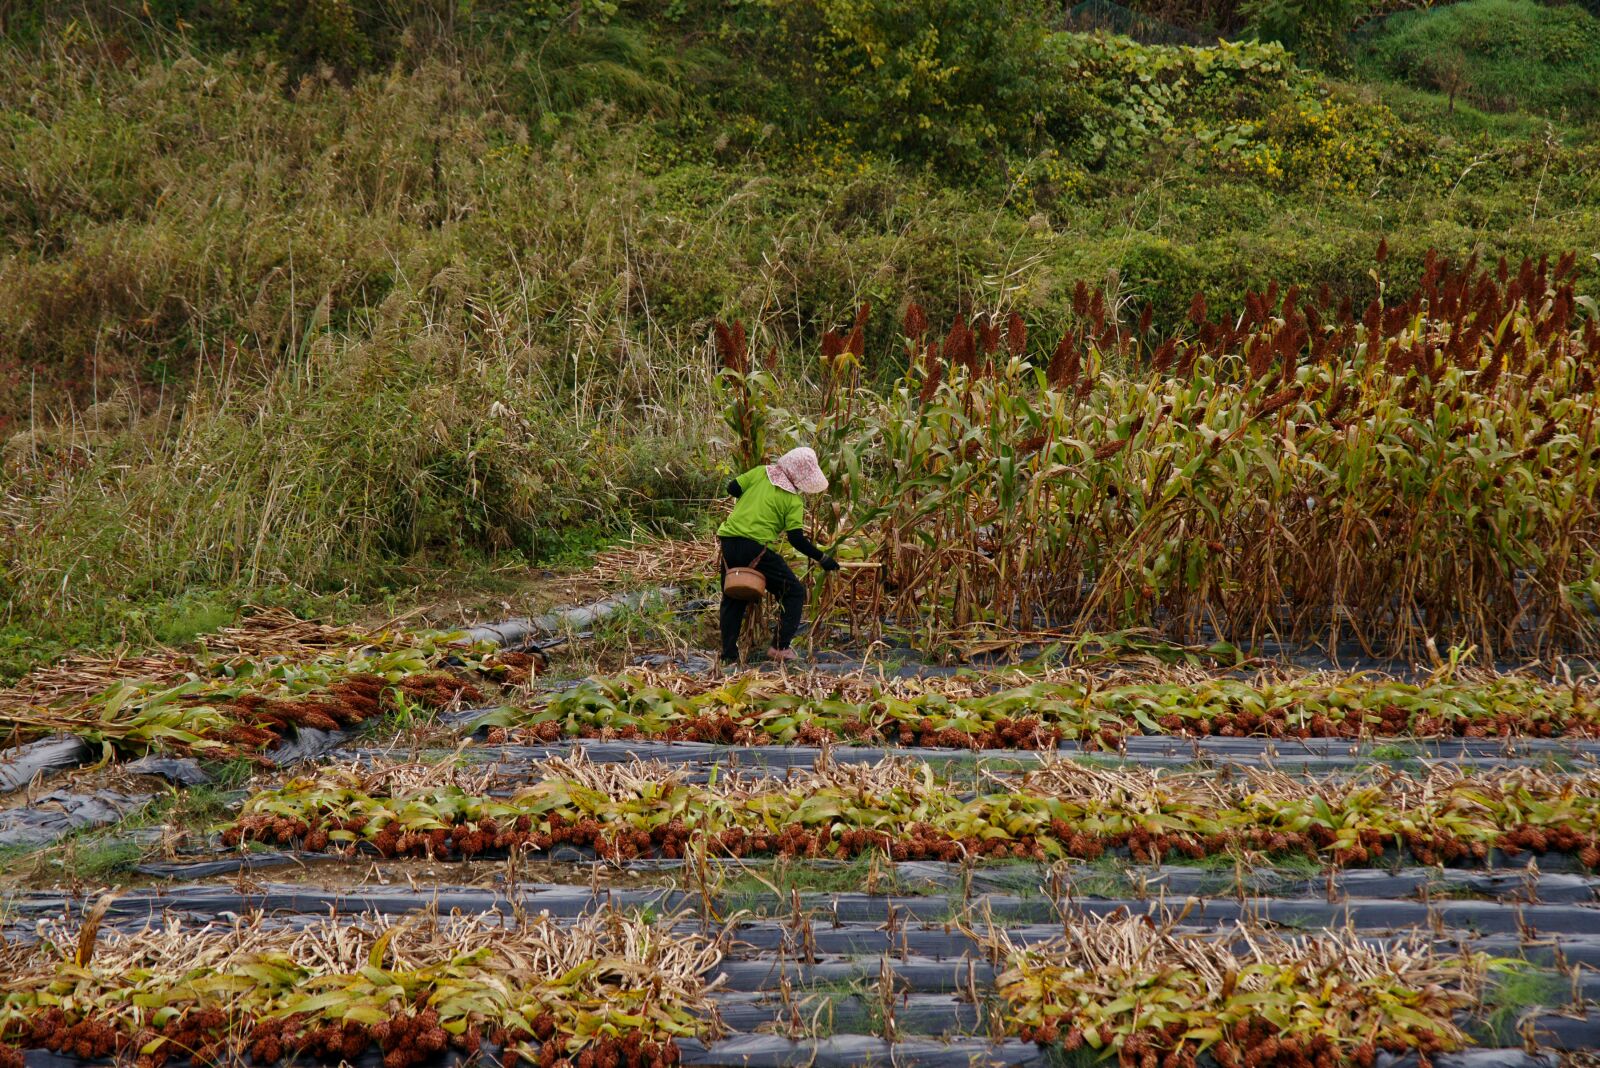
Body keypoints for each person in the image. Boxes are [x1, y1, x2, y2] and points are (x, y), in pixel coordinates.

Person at [717, 446, 840, 665]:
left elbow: (732, 487)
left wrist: (750, 501)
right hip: (756, 549)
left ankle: (728, 656)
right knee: (793, 592)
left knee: (732, 597)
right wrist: (823, 559)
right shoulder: (792, 501)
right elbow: (796, 540)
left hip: (728, 543)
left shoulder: (759, 472)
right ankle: (779, 647)